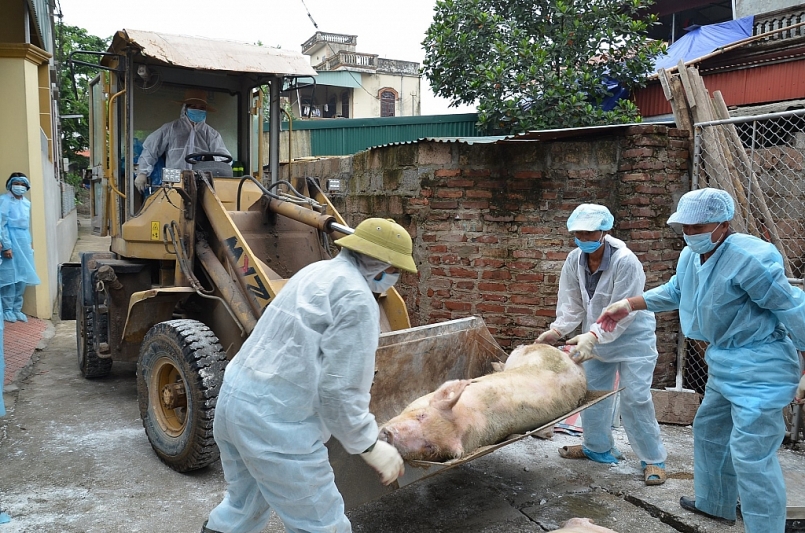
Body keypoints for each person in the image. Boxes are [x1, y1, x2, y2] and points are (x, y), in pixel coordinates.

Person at [597, 187, 805, 532]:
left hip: (761, 366)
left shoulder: (752, 258)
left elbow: (792, 308)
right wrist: (629, 304)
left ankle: (766, 527)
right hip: (723, 361)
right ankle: (715, 503)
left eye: (698, 226)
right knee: (710, 432)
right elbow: (677, 291)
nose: (690, 233)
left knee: (751, 455)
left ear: (723, 223)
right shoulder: (692, 256)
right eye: (685, 227)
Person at [202, 217, 417, 533]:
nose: (395, 277)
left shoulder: (316, 272)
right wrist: (370, 445)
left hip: (235, 404)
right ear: (379, 264)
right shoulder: (357, 298)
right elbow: (340, 391)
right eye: (396, 270)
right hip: (277, 423)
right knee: (321, 525)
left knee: (242, 508)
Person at [535, 203, 668, 485]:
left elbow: (623, 312)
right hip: (593, 338)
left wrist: (592, 336)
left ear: (604, 231)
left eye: (589, 232)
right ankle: (596, 447)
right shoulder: (574, 259)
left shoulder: (626, 261)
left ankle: (653, 459)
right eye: (578, 232)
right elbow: (571, 302)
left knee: (636, 399)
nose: (583, 237)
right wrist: (556, 330)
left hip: (633, 339)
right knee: (592, 394)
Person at [134, 88, 231, 193]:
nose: (197, 110)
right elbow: (151, 149)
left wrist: (210, 161)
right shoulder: (170, 129)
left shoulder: (212, 134)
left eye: (201, 108)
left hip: (201, 186)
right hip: (173, 184)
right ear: (185, 108)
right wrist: (142, 173)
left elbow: (224, 159)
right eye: (193, 106)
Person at [0, 173, 40, 323]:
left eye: (23, 184)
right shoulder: (4, 201)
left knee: (22, 275)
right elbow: (1, 224)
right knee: (10, 276)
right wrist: (6, 246)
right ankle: (7, 309)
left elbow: (26, 225)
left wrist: (29, 243)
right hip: (10, 238)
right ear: (10, 184)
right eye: (16, 183)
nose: (19, 187)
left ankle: (17, 308)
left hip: (23, 240)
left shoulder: (26, 203)